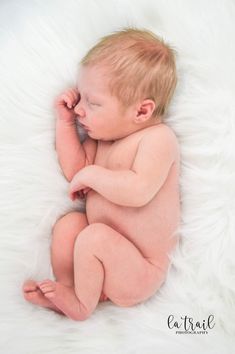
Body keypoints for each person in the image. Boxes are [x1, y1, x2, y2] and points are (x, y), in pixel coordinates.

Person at [23, 27, 180, 321]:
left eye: (93, 103)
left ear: (142, 111)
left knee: (93, 236)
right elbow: (75, 172)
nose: (81, 109)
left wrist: (92, 175)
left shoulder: (158, 139)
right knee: (71, 224)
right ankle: (71, 289)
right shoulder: (102, 140)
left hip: (139, 271)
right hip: (96, 260)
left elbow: (139, 190)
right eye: (80, 98)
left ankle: (83, 306)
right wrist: (65, 124)